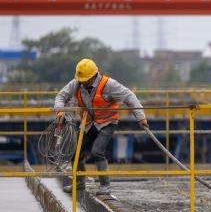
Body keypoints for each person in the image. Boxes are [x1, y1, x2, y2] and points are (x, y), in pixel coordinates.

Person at [53, 58, 147, 195]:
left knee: (97, 151)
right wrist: (59, 109)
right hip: (89, 123)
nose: (83, 83)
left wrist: (141, 117)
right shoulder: (77, 83)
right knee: (75, 151)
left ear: (93, 76)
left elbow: (129, 97)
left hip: (107, 123)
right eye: (81, 80)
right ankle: (79, 183)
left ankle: (105, 186)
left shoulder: (109, 85)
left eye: (85, 80)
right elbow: (61, 96)